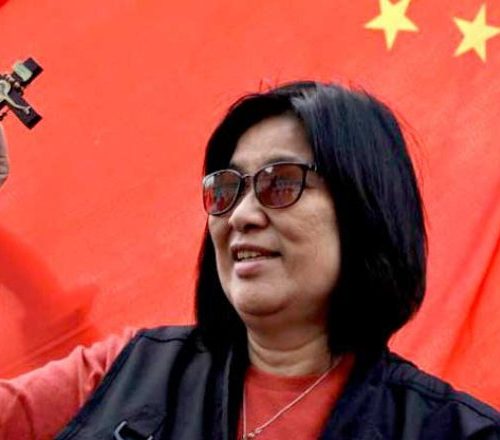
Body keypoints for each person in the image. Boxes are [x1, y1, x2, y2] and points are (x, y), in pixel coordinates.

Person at [0, 81, 499, 439]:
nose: (240, 215)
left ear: (364, 208)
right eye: (226, 189)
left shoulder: (452, 429)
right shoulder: (126, 372)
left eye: (280, 183)